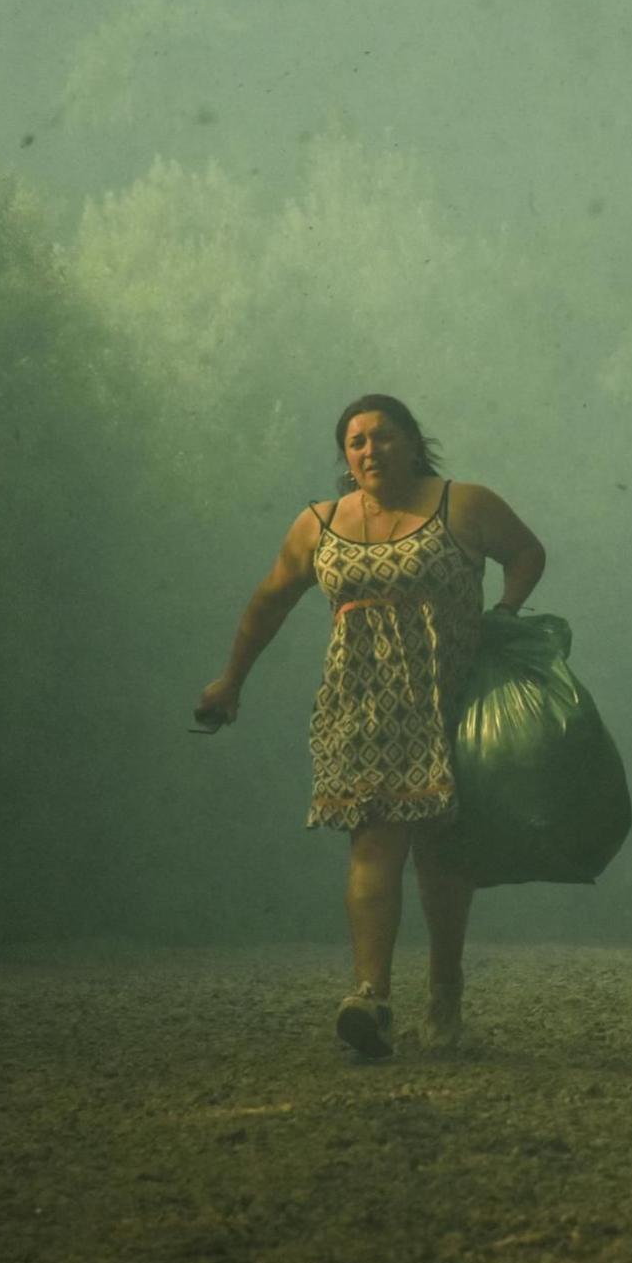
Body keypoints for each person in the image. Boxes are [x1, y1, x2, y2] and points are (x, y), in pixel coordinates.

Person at [194, 394, 545, 1060]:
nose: (368, 450)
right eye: (354, 442)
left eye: (382, 437)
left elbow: (527, 552)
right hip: (362, 707)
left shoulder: (462, 504)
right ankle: (371, 999)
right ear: (345, 458)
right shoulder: (318, 524)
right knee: (373, 845)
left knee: (444, 854)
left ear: (413, 442)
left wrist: (505, 612)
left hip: (453, 699)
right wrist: (230, 679)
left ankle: (444, 995)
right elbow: (270, 599)